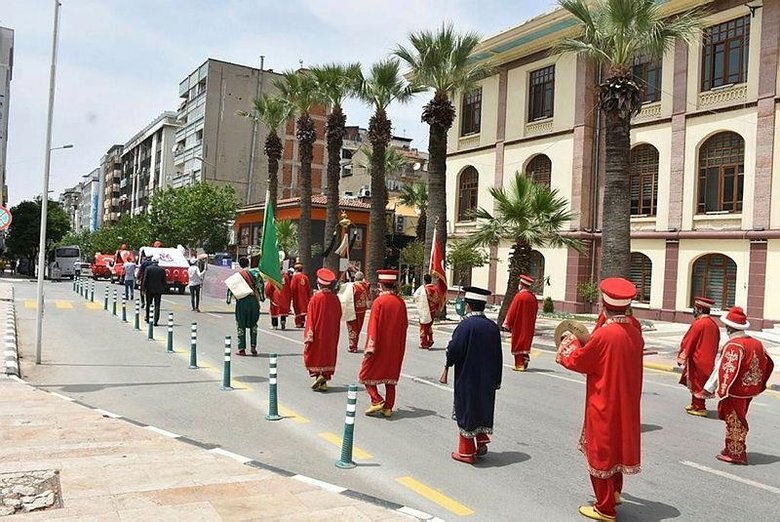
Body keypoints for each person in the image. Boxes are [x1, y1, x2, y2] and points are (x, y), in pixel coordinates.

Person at [556, 277, 644, 522]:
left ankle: (604, 508)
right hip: (626, 402)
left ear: (604, 305)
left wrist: (568, 342)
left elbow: (579, 360)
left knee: (602, 451)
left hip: (604, 402)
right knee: (616, 447)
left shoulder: (606, 335)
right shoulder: (634, 329)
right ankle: (615, 493)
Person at [703, 307, 774, 465]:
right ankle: (731, 448)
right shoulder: (756, 343)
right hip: (749, 390)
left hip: (735, 391)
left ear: (729, 327)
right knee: (737, 418)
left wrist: (711, 388)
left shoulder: (734, 345)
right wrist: (757, 381)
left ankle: (736, 452)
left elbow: (724, 368)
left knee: (735, 420)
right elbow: (768, 362)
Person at [445, 286, 503, 464]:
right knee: (482, 407)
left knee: (467, 410)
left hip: (468, 377)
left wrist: (449, 356)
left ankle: (466, 452)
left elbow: (454, 350)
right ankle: (481, 440)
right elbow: (498, 355)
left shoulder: (465, 325)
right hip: (487, 378)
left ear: (468, 306)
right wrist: (497, 380)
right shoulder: (492, 327)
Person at [359, 269, 408, 418]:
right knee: (390, 379)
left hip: (379, 346)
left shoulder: (379, 302)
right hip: (395, 348)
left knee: (365, 374)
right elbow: (404, 325)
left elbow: (373, 325)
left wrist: (370, 346)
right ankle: (388, 408)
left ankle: (376, 400)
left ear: (381, 284)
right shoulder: (401, 303)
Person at [676, 296, 720, 417]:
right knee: (699, 383)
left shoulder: (699, 324)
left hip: (698, 359)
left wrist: (682, 356)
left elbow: (689, 341)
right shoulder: (713, 324)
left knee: (697, 382)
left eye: (695, 308)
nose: (693, 311)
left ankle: (699, 407)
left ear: (700, 310)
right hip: (708, 359)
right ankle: (694, 403)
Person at [303, 268, 343, 391]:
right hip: (331, 332)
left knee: (315, 353)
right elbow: (339, 314)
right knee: (328, 353)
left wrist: (309, 332)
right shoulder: (335, 298)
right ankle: (324, 379)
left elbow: (310, 316)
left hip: (317, 331)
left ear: (319, 283)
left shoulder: (316, 298)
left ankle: (318, 377)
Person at [226, 257, 265, 356]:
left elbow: (230, 288)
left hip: (241, 302)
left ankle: (242, 349)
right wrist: (262, 297)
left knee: (240, 325)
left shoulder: (236, 276)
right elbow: (260, 286)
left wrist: (229, 300)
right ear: (249, 263)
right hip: (253, 302)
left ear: (239, 264)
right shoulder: (255, 274)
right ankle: (253, 347)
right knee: (254, 324)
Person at [502, 274, 538, 371]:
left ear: (521, 285)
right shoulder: (533, 298)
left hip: (519, 324)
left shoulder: (519, 296)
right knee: (525, 342)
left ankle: (519, 364)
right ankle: (525, 357)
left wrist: (507, 323)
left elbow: (512, 310)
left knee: (518, 343)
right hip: (529, 325)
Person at [339, 271, 370, 353]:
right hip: (362, 310)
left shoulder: (353, 286)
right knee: (358, 328)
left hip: (353, 309)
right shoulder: (366, 286)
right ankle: (355, 344)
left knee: (352, 328)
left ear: (355, 278)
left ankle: (353, 346)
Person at [414, 274, 442, 349]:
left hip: (425, 310)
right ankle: (430, 339)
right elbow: (438, 300)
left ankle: (424, 343)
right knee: (429, 325)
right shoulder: (435, 289)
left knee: (424, 326)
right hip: (433, 310)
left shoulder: (424, 289)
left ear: (424, 280)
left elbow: (416, 296)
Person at [265, 261, 292, 330]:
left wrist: (267, 294)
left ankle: (275, 325)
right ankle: (283, 321)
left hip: (275, 296)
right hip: (284, 296)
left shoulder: (274, 276)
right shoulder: (286, 276)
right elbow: (289, 286)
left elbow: (269, 287)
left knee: (274, 310)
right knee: (283, 310)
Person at [143, 257, 167, 326]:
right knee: (157, 305)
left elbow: (145, 279)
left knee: (148, 304)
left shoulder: (148, 268)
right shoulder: (162, 270)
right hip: (158, 290)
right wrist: (163, 289)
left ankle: (147, 318)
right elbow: (164, 281)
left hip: (149, 290)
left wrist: (143, 289)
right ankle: (155, 321)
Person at [291, 263, 312, 328]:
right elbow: (308, 287)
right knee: (303, 310)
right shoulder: (305, 277)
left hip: (297, 296)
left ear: (296, 270)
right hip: (305, 296)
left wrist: (291, 295)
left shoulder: (295, 277)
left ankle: (298, 323)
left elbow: (292, 287)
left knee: (297, 309)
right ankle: (302, 321)